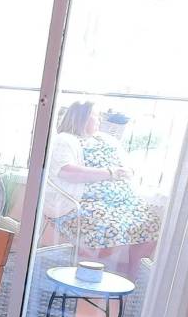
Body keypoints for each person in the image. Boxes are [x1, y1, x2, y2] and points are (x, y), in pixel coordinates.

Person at [47, 101, 160, 274]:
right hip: (84, 202)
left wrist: (127, 171)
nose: (99, 120)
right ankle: (85, 273)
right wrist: (110, 173)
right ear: (82, 118)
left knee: (151, 223)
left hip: (121, 202)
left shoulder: (105, 139)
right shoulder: (64, 139)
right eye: (95, 116)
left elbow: (126, 165)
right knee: (109, 230)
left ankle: (131, 275)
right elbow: (66, 171)